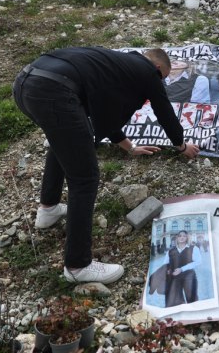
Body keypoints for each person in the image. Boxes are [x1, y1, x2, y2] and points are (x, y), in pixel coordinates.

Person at [12, 47, 200, 285]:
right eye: (162, 79)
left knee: (63, 140)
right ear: (159, 69)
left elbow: (106, 116)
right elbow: (164, 111)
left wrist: (129, 148)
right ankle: (78, 265)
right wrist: (181, 145)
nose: (158, 84)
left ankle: (48, 210)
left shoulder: (116, 66)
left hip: (25, 83)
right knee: (85, 178)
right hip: (54, 91)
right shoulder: (148, 72)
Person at [164, 230, 201, 307]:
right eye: (180, 236)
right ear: (177, 238)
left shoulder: (193, 248)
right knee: (176, 301)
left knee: (192, 299)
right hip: (175, 278)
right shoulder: (170, 251)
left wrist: (182, 269)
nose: (182, 237)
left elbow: (198, 262)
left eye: (184, 236)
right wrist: (168, 270)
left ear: (187, 237)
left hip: (189, 277)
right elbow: (165, 263)